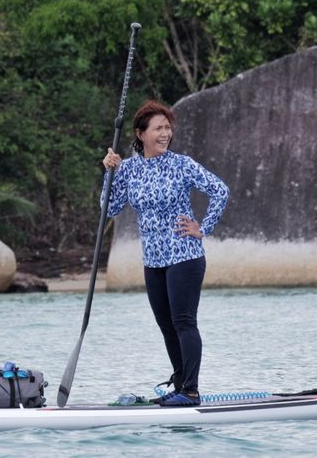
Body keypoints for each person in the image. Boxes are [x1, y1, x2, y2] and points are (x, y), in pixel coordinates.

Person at [101, 100, 229, 407]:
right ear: (140, 134)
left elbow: (220, 190)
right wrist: (110, 172)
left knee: (184, 321)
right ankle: (180, 383)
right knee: (166, 325)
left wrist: (203, 227)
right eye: (158, 128)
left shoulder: (181, 164)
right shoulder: (129, 169)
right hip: (153, 260)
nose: (165, 133)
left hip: (184, 255)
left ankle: (192, 391)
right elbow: (109, 207)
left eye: (168, 128)